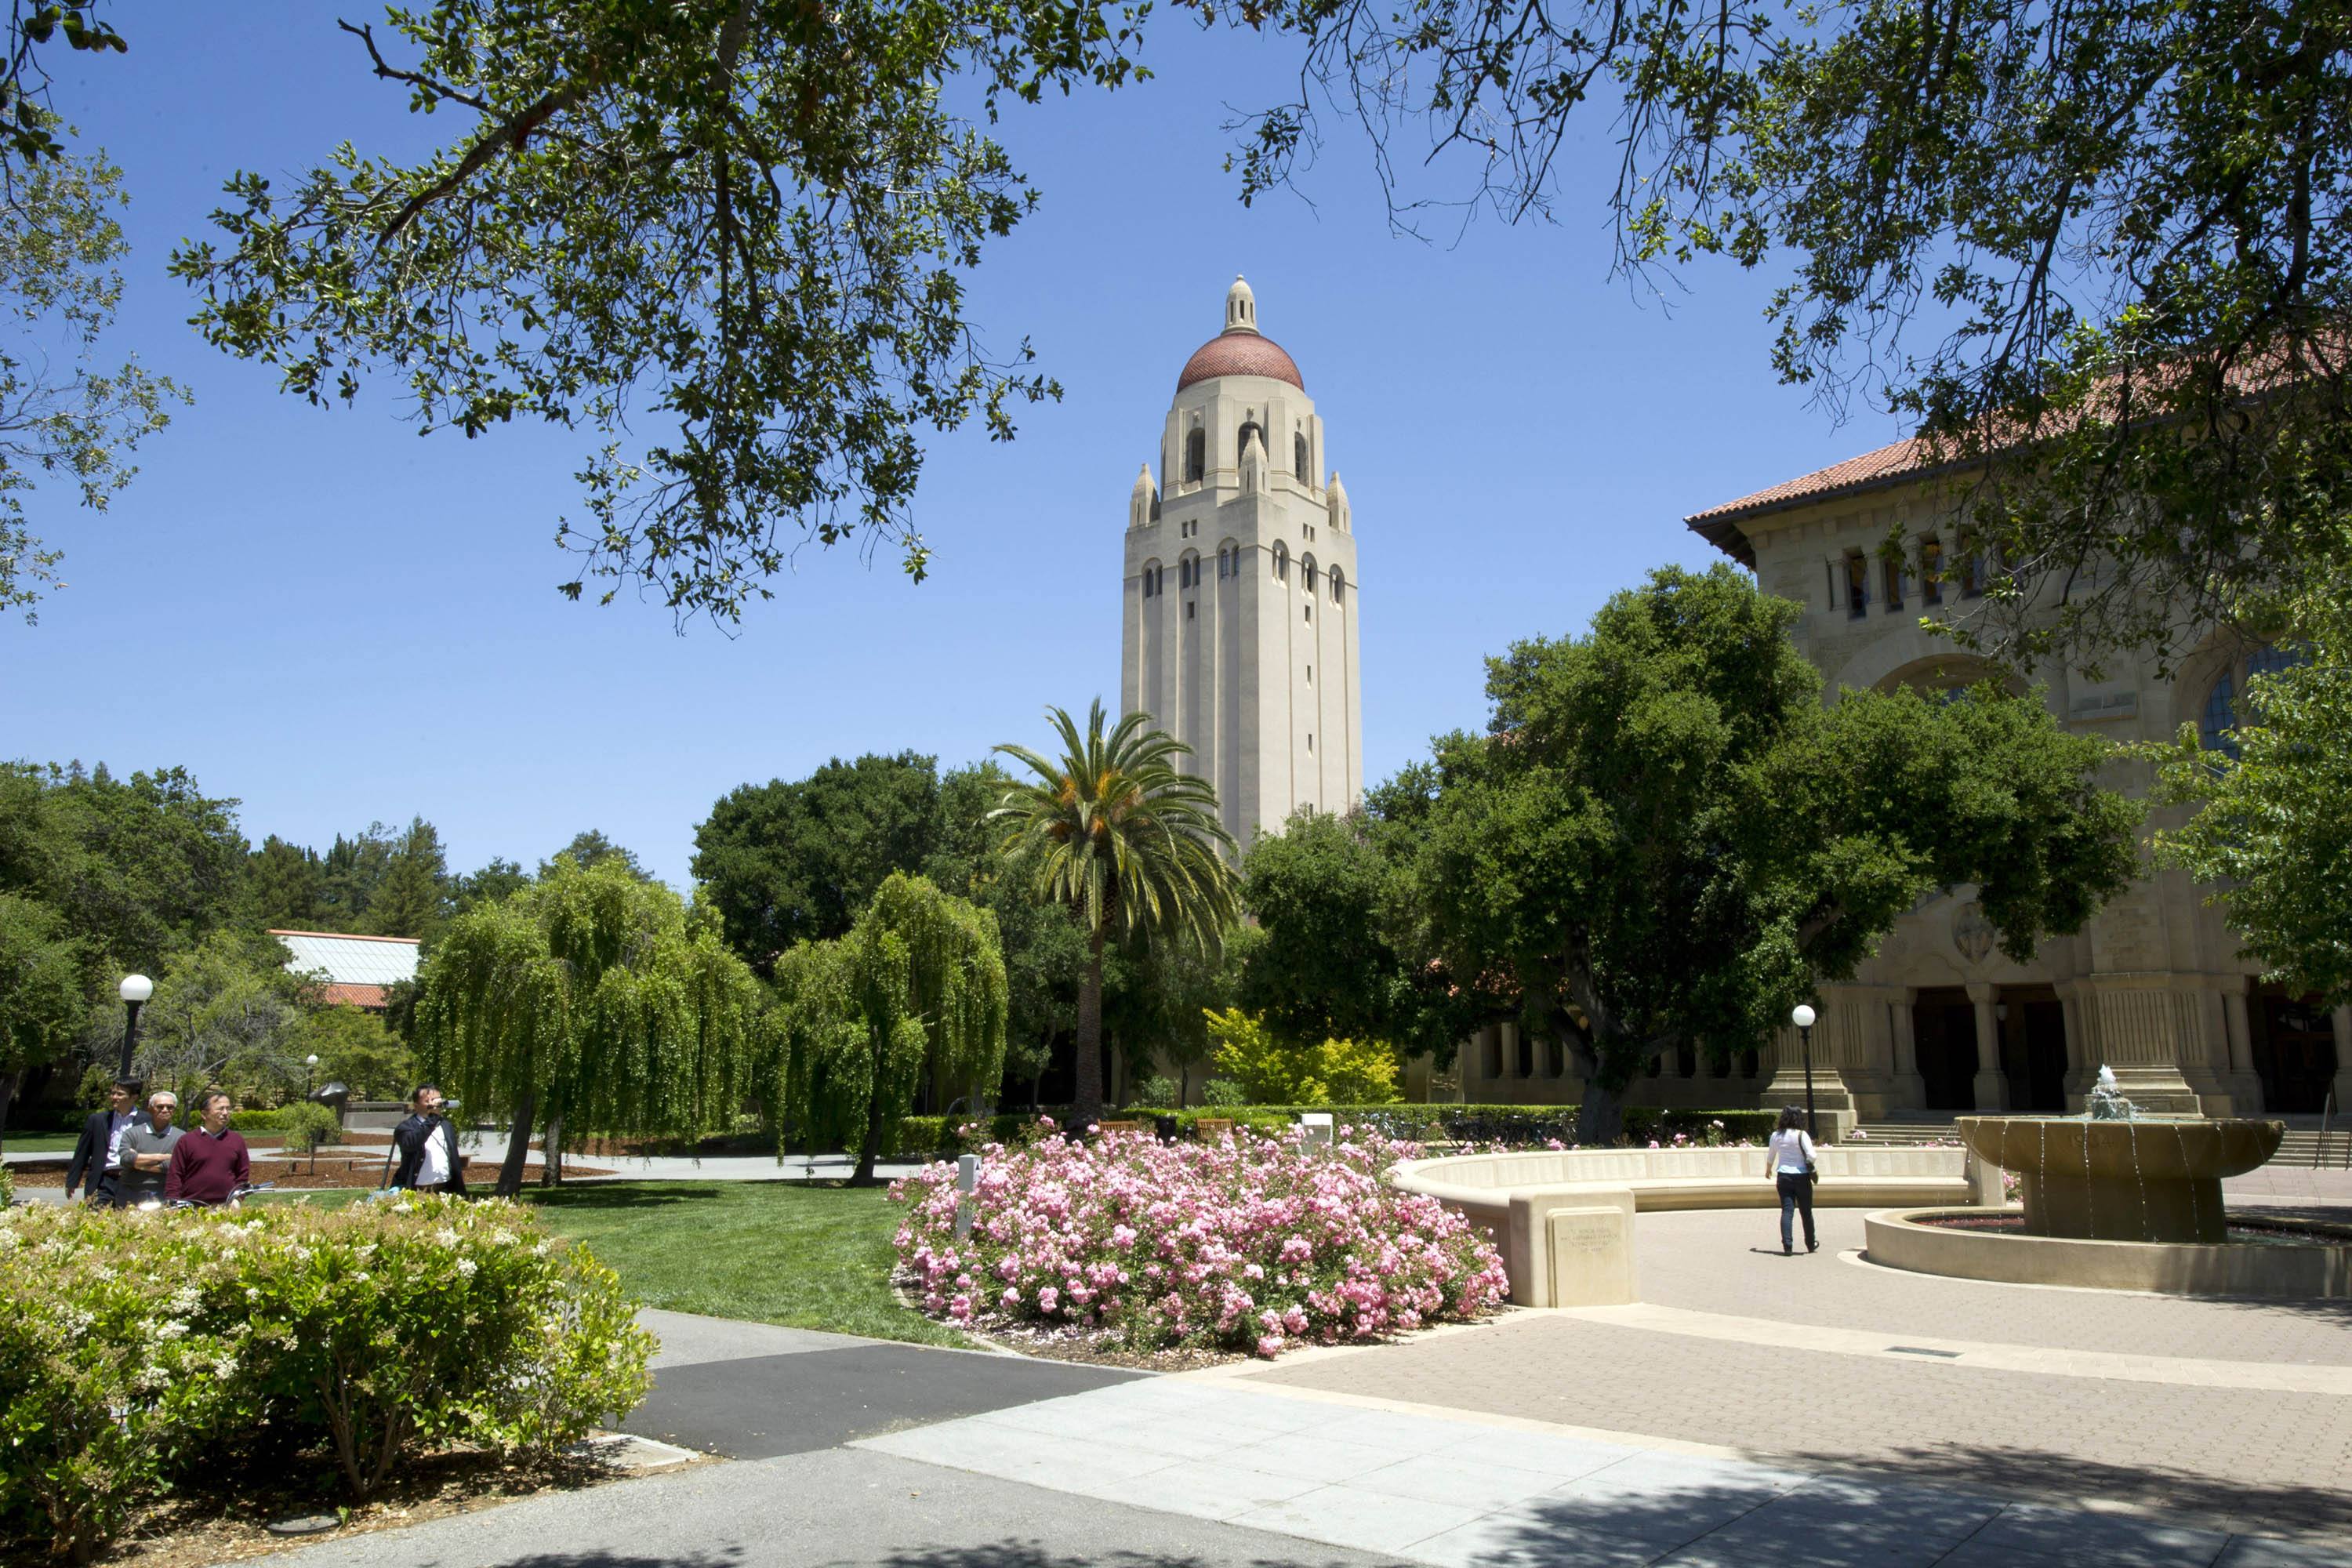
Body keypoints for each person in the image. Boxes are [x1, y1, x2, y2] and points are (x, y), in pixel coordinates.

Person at [66, 1079, 148, 1207]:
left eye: (120, 1094)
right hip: (103, 1181)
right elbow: (82, 1152)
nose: (114, 1097)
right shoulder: (97, 1120)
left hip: (134, 1181)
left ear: (134, 1097)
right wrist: (72, 1182)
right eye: (112, 1093)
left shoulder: (147, 1121)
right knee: (96, 1219)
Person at [165, 1090, 252, 1207]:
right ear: (204, 1114)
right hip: (191, 1206)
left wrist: (238, 1199)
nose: (225, 1113)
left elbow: (242, 1175)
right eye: (220, 1109)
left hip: (226, 1206)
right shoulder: (187, 1141)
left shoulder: (236, 1140)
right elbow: (175, 1174)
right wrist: (173, 1201)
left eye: (228, 1108)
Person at [390, 1084, 467, 1196]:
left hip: (444, 1189)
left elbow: (453, 1157)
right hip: (416, 1191)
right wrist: (433, 1118)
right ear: (416, 1106)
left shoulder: (446, 1125)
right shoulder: (405, 1128)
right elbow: (412, 1144)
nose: (434, 1104)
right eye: (428, 1101)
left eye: (436, 1100)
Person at [114, 1091, 185, 1207]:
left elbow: (174, 1166)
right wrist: (163, 1157)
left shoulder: (182, 1138)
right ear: (150, 1109)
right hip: (130, 1191)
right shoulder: (132, 1133)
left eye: (170, 1107)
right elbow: (126, 1159)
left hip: (164, 1192)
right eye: (160, 1106)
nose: (165, 1110)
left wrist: (138, 1163)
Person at [1764, 1105, 1819, 1256]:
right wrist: (1807, 1162)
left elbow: (1771, 1156)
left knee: (1787, 1211)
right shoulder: (1802, 1135)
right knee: (1806, 1212)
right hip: (1801, 1177)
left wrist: (1768, 1170)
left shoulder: (1776, 1136)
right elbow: (1812, 1156)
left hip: (1783, 1176)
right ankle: (1810, 1243)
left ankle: (1787, 1245)